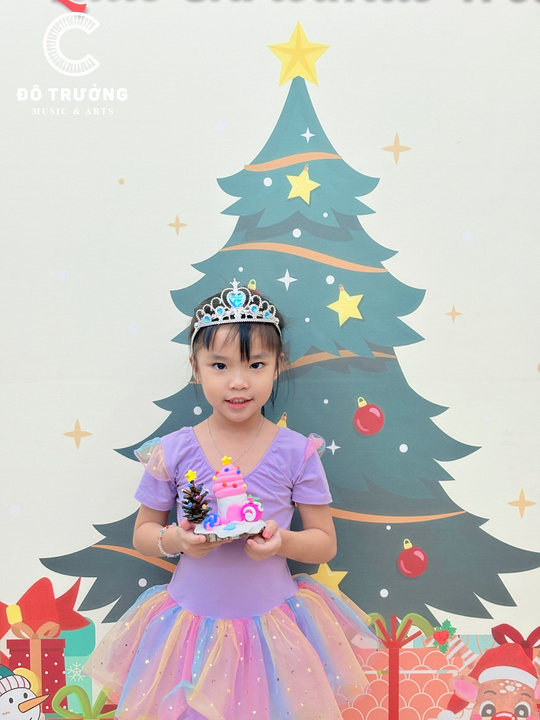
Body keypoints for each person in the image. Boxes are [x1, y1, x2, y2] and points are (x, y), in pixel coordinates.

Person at [85, 279, 377, 720]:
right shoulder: (172, 451)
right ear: (195, 367)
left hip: (272, 632)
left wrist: (280, 543)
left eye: (255, 364)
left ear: (277, 366)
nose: (238, 382)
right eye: (219, 366)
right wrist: (177, 540)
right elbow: (143, 533)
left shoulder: (297, 452)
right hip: (189, 632)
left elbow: (324, 543)